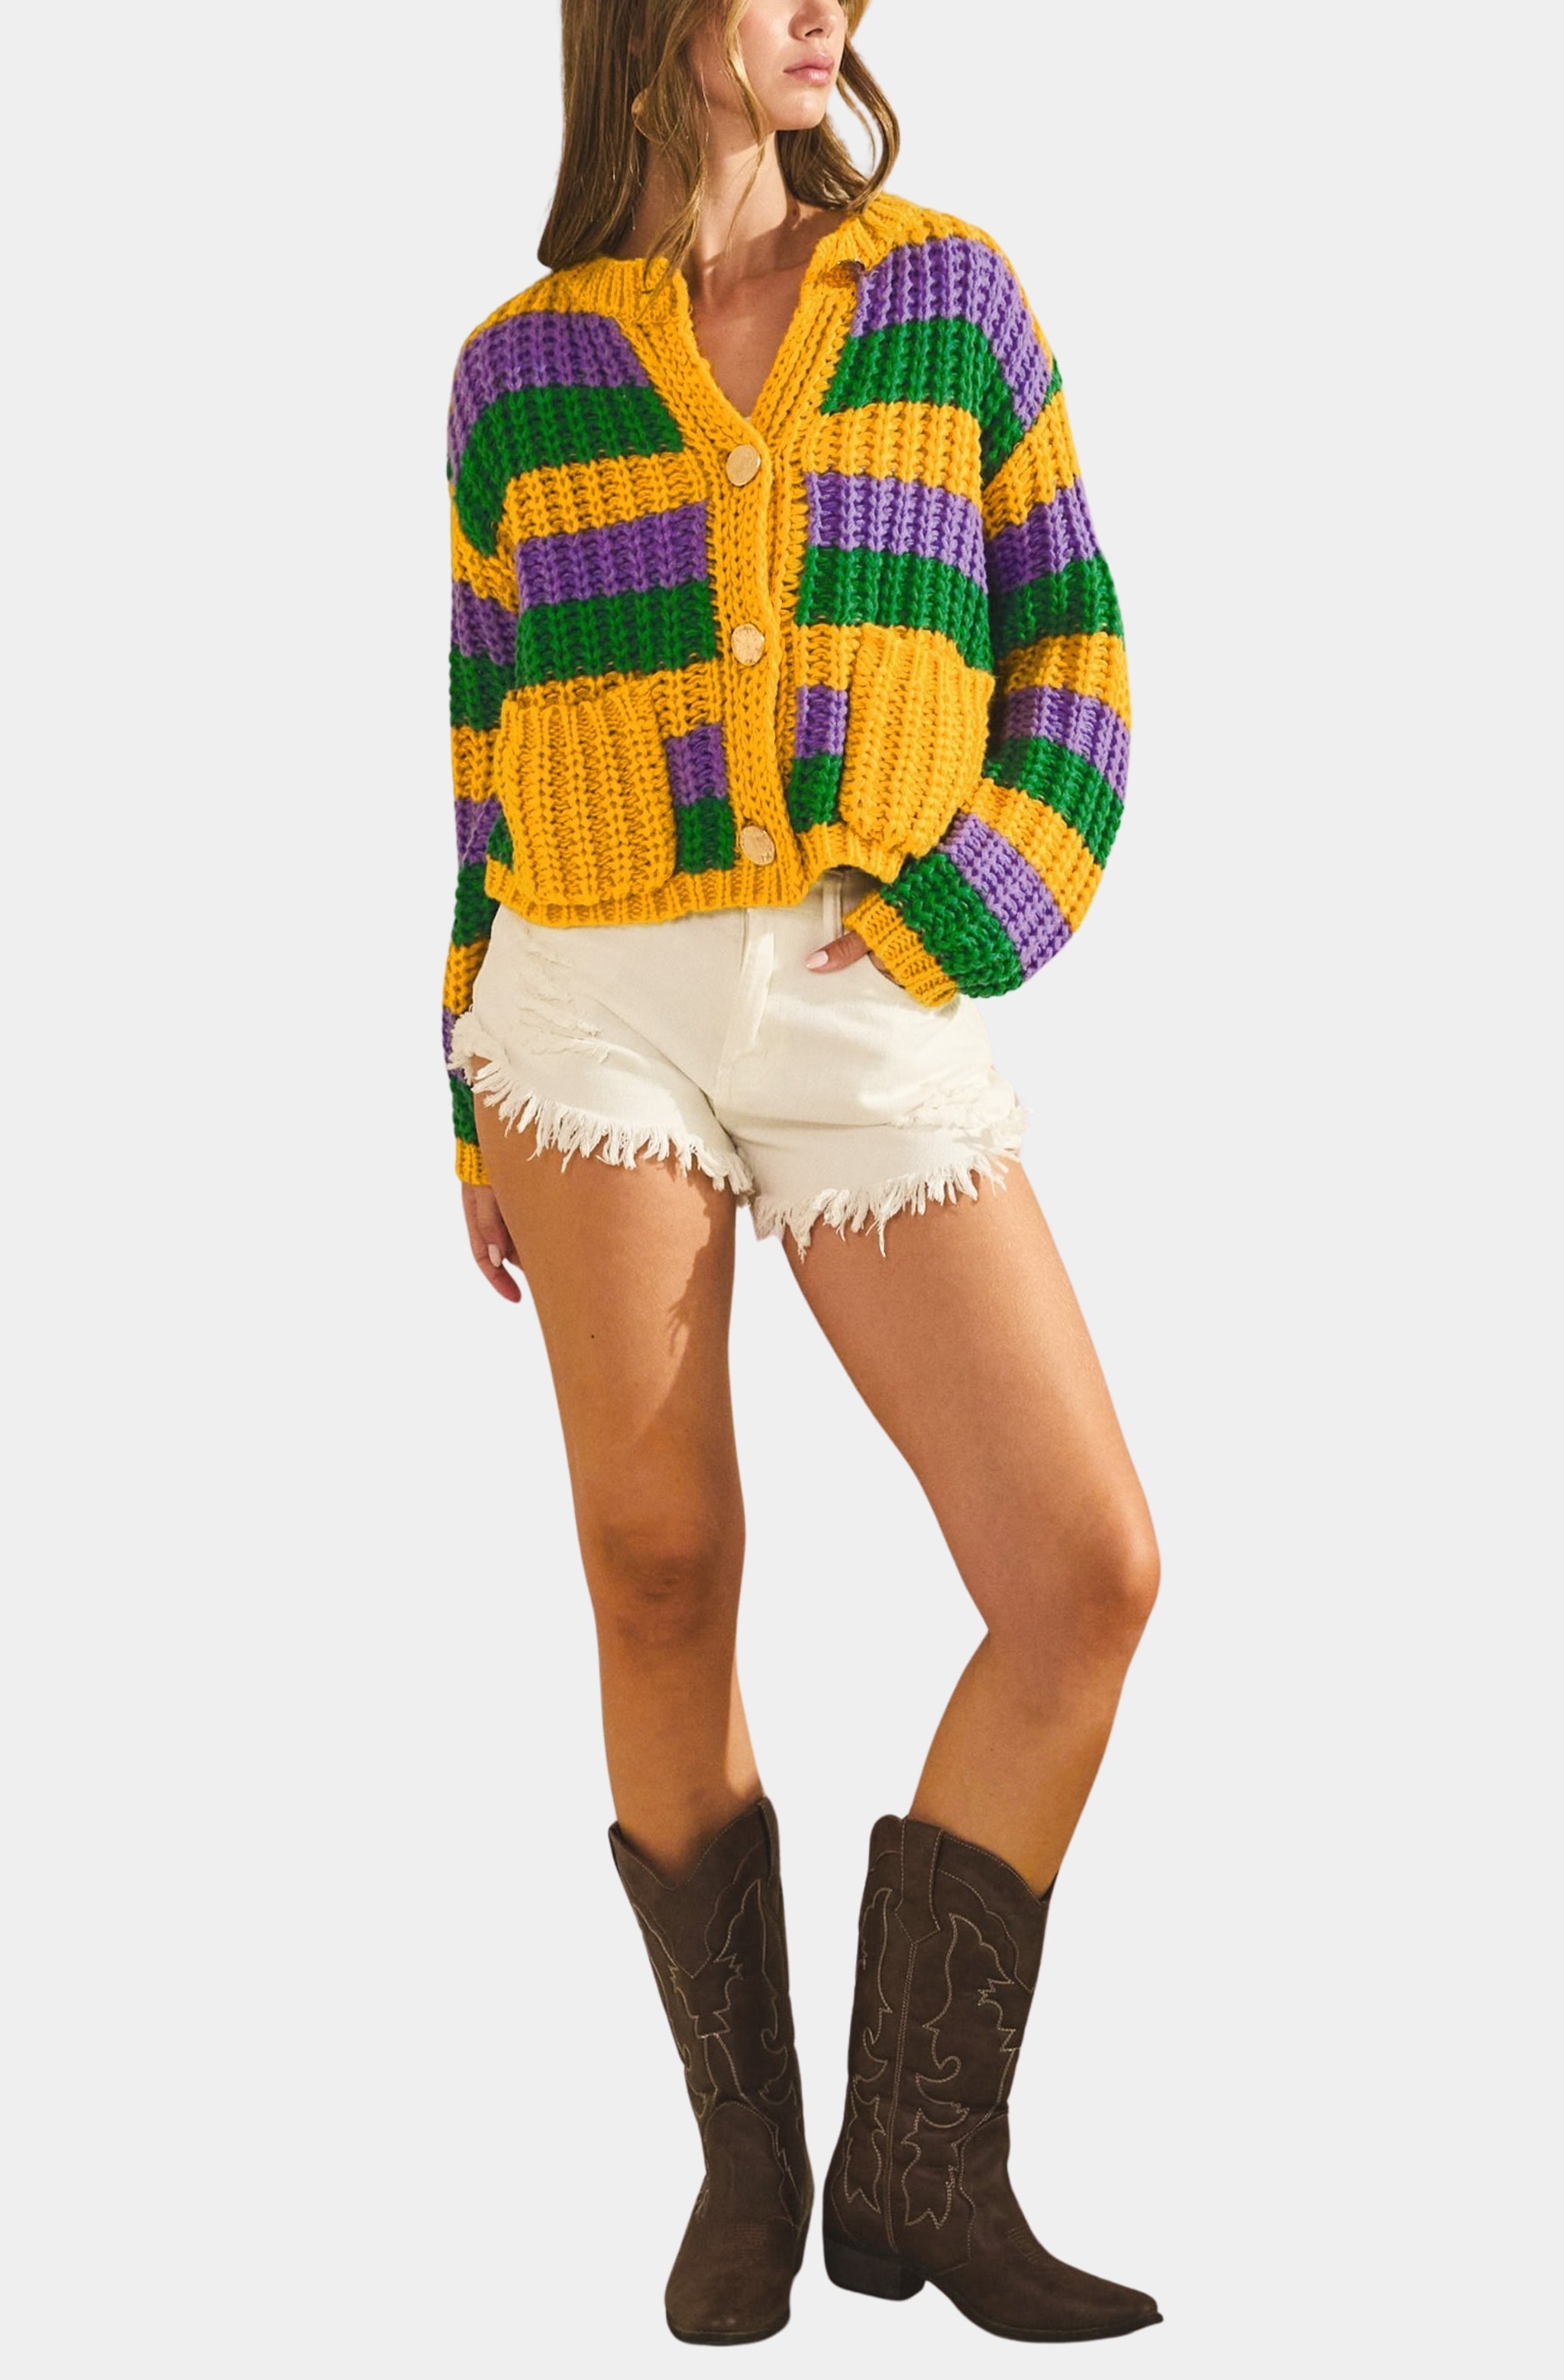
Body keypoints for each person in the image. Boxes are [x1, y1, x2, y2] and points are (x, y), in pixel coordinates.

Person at [441, 0, 1161, 2348]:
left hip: (867, 984)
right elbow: (486, 745)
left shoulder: (947, 295)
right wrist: (463, 1080)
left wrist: (966, 916)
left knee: (1083, 1571)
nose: (821, 4)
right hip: (587, 1006)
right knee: (661, 1566)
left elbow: (1080, 662)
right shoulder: (516, 374)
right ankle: (747, 2162)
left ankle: (921, 2159)